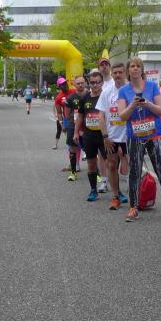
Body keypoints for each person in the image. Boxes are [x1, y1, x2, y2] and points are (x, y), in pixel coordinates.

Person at [118, 57, 161, 223]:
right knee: (135, 171)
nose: (135, 69)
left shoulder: (152, 86)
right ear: (128, 70)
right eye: (132, 66)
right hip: (135, 136)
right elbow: (122, 116)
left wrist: (148, 104)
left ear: (142, 70)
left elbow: (160, 110)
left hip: (154, 134)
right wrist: (132, 105)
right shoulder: (123, 90)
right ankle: (133, 207)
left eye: (138, 66)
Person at [95, 59, 128, 209]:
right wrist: (105, 136)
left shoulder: (131, 89)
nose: (118, 75)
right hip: (112, 136)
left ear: (125, 73)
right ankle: (115, 196)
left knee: (132, 166)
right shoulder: (107, 92)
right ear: (112, 74)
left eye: (120, 72)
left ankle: (135, 196)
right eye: (115, 73)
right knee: (112, 165)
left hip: (129, 135)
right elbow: (101, 116)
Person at [74, 70, 107, 201]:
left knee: (110, 163)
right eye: (92, 83)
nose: (95, 85)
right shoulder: (85, 98)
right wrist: (76, 132)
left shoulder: (107, 96)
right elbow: (80, 116)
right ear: (89, 83)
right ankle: (93, 190)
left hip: (104, 135)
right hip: (89, 135)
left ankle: (116, 192)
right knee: (91, 163)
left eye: (97, 82)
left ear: (102, 83)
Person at [64, 77, 86, 181]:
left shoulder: (90, 95)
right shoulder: (70, 98)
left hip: (88, 127)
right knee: (72, 148)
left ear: (85, 83)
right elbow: (67, 114)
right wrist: (74, 126)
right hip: (73, 127)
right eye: (78, 83)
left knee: (92, 150)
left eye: (82, 83)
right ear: (74, 85)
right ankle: (73, 173)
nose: (80, 85)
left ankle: (97, 174)